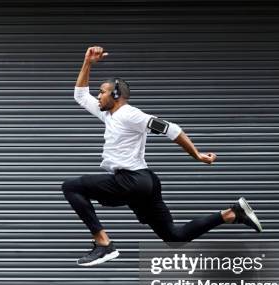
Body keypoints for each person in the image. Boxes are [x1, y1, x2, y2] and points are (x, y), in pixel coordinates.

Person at [62, 46, 263, 266]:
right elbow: (80, 95)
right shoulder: (109, 115)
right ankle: (232, 214)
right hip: (144, 183)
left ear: (116, 95)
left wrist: (197, 155)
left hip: (131, 181)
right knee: (174, 237)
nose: (98, 96)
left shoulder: (130, 114)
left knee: (72, 186)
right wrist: (87, 62)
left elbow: (172, 129)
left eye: (102, 91)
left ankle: (103, 244)